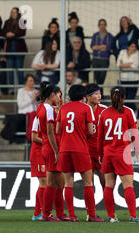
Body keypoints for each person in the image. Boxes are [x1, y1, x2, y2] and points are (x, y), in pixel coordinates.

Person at [55, 84, 104, 222]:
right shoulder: (86, 108)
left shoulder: (63, 108)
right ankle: (91, 215)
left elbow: (58, 130)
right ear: (83, 96)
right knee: (88, 182)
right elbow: (90, 131)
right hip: (80, 149)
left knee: (68, 183)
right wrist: (82, 137)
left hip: (64, 149)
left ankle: (71, 215)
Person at [97, 86, 139, 223]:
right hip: (122, 153)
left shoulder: (104, 113)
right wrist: (138, 153)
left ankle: (111, 216)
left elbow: (100, 136)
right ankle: (133, 216)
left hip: (108, 153)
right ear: (124, 97)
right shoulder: (128, 112)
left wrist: (100, 154)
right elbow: (134, 134)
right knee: (128, 185)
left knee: (109, 185)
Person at [36, 83, 68, 221]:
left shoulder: (43, 107)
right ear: (52, 95)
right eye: (58, 94)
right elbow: (50, 131)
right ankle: (47, 214)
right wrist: (56, 151)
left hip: (48, 147)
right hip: (51, 148)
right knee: (52, 182)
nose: (60, 97)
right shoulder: (48, 109)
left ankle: (59, 213)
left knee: (59, 183)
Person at [85, 83, 107, 190]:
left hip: (100, 152)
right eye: (96, 94)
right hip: (86, 151)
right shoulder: (82, 109)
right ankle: (90, 207)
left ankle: (109, 207)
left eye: (100, 94)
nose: (99, 96)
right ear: (88, 97)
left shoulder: (104, 110)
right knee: (89, 184)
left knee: (106, 182)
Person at [1, 7, 28, 88]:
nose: (13, 14)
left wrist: (13, 34)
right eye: (12, 12)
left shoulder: (22, 21)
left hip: (19, 48)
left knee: (19, 69)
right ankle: (11, 89)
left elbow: (22, 33)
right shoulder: (7, 22)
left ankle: (21, 88)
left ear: (18, 13)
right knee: (10, 70)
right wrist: (6, 34)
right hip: (9, 48)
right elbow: (2, 32)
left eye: (15, 12)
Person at [30, 116, 47, 221]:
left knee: (46, 183)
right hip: (38, 153)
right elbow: (34, 137)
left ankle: (37, 213)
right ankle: (44, 214)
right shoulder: (38, 117)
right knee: (43, 182)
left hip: (47, 152)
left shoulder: (55, 114)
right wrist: (48, 143)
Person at [117, 41, 139, 110]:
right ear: (128, 47)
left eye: (135, 47)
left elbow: (135, 66)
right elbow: (118, 65)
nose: (134, 48)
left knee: (131, 98)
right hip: (123, 79)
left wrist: (123, 65)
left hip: (134, 79)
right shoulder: (122, 52)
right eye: (132, 46)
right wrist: (129, 64)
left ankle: (131, 114)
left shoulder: (137, 53)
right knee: (123, 98)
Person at [91, 19, 114, 85]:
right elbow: (93, 47)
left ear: (106, 25)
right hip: (95, 59)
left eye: (104, 24)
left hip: (104, 59)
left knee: (102, 77)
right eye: (101, 24)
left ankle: (100, 92)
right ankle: (99, 92)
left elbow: (108, 48)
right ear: (98, 26)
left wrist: (97, 47)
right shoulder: (95, 35)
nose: (102, 26)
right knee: (96, 77)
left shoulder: (110, 36)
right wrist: (102, 47)